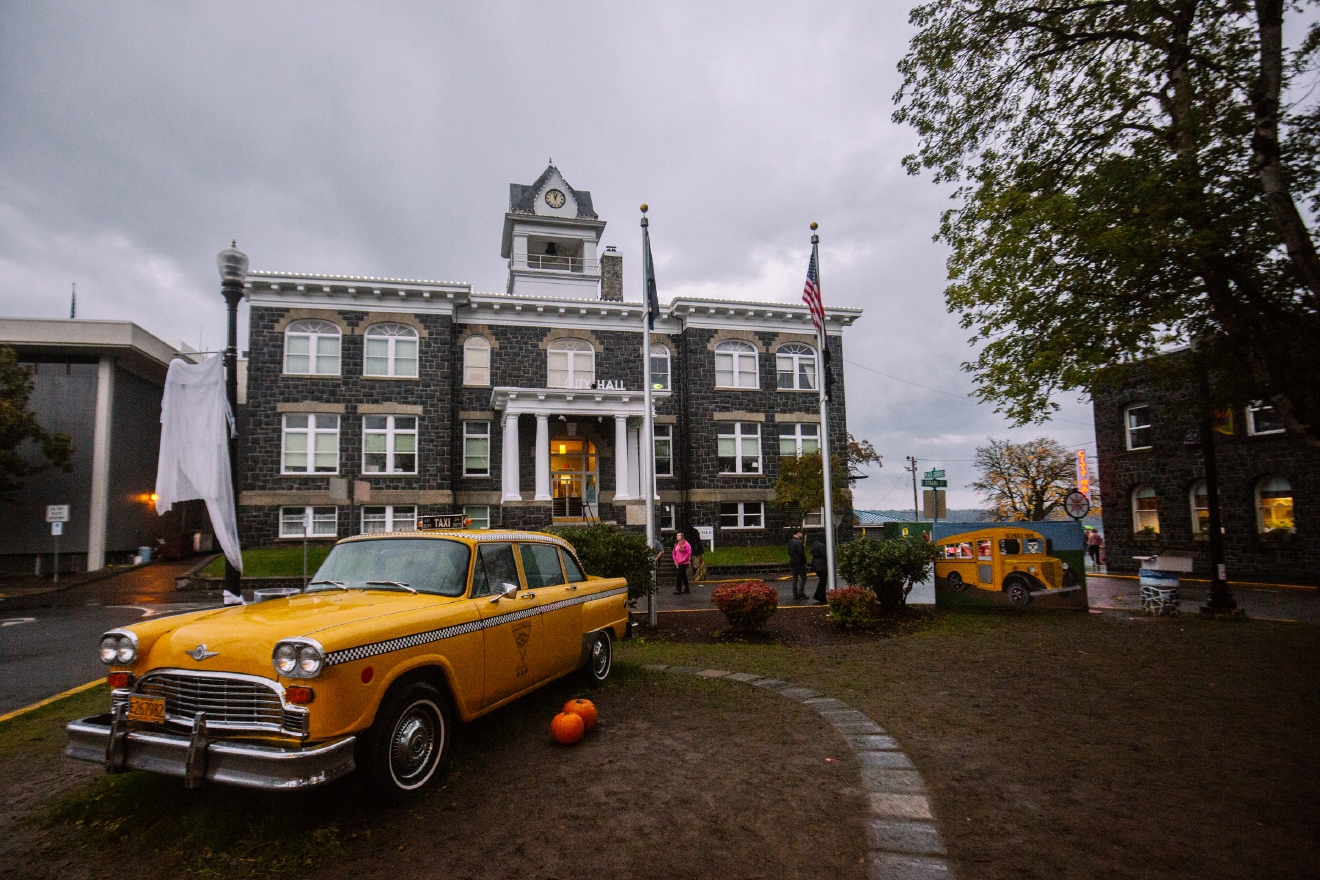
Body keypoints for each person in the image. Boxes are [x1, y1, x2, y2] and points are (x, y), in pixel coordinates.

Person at [788, 529, 808, 600]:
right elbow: (801, 554)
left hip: (792, 562)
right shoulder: (799, 542)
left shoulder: (790, 542)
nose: (801, 535)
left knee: (795, 578)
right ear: (798, 533)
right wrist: (804, 562)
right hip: (799, 562)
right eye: (801, 533)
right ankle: (801, 592)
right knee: (803, 577)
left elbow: (789, 552)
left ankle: (795, 593)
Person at [810, 533, 830, 603]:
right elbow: (825, 554)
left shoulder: (814, 543)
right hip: (821, 564)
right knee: (823, 581)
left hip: (815, 563)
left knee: (821, 580)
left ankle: (818, 594)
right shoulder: (822, 545)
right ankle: (821, 596)